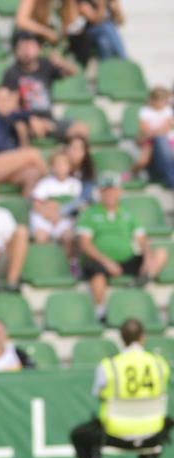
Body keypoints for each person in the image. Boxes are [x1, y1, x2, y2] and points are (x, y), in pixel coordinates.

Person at [70, 318, 172, 458]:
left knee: (79, 435)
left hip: (115, 433)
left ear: (121, 339)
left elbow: (99, 393)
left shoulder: (108, 366)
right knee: (165, 427)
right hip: (151, 433)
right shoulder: (159, 364)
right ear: (143, 338)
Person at [77, 174, 169, 318]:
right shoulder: (90, 214)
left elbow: (142, 239)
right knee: (96, 271)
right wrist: (106, 261)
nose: (110, 194)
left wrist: (147, 257)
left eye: (113, 190)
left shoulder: (128, 214)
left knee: (161, 252)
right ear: (100, 192)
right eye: (106, 190)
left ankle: (143, 278)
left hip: (125, 259)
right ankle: (100, 310)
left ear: (119, 192)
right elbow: (85, 244)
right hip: (101, 260)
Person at [2, 32, 87, 143]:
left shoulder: (45, 65)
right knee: (23, 128)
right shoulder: (11, 73)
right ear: (16, 51)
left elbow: (73, 71)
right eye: (22, 47)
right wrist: (30, 119)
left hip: (49, 119)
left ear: (38, 48)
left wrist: (60, 62)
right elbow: (10, 106)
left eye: (30, 46)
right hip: (27, 121)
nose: (26, 51)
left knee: (81, 129)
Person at [29, 151, 82, 254]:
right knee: (40, 237)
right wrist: (51, 215)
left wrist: (60, 215)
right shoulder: (44, 183)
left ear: (69, 166)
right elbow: (36, 204)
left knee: (69, 237)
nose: (61, 167)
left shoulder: (76, 184)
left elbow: (76, 206)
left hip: (65, 220)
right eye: (57, 164)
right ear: (52, 167)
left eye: (64, 164)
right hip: (45, 219)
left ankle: (69, 265)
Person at [134, 87, 174, 188]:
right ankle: (132, 174)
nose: (162, 103)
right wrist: (157, 132)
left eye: (164, 100)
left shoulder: (167, 111)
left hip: (166, 139)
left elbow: (167, 127)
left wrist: (155, 132)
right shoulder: (145, 112)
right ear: (152, 100)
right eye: (159, 100)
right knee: (142, 161)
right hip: (150, 140)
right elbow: (145, 130)